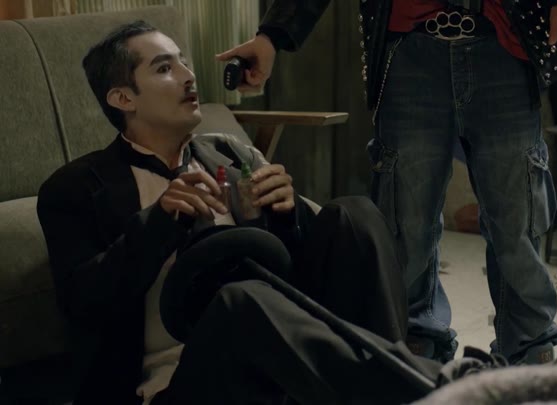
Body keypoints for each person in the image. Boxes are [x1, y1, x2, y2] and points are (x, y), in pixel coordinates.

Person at [36, 20, 470, 405]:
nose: (189, 76)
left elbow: (301, 275)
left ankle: (397, 388)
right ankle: (427, 390)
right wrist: (157, 224)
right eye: (165, 68)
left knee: (354, 214)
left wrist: (287, 215)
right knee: (240, 299)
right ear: (123, 98)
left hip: (289, 371)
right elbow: (83, 304)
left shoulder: (230, 153)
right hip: (174, 385)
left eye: (184, 62)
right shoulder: (75, 188)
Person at [217, 0, 557, 364]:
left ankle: (530, 354)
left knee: (517, 219)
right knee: (407, 224)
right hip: (409, 52)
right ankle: (418, 352)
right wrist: (272, 35)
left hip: (505, 45)